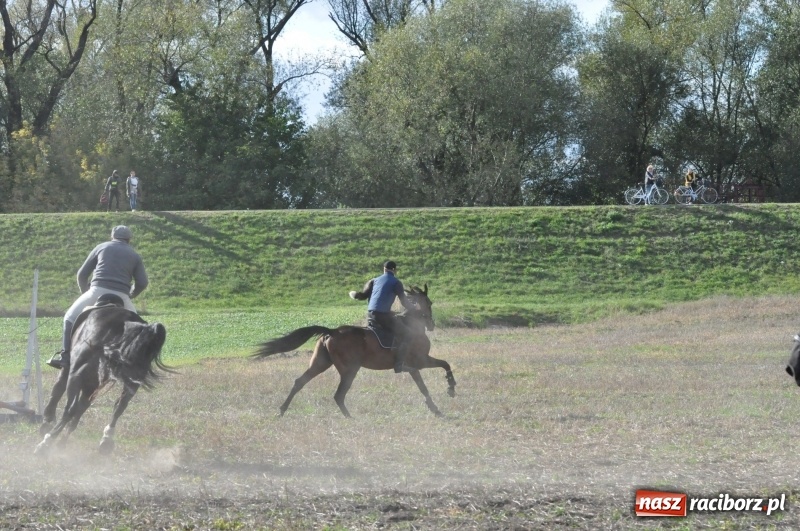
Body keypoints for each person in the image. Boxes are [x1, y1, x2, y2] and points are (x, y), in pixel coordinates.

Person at [47, 225, 149, 370]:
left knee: (69, 317)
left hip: (96, 291)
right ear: (129, 239)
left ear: (112, 236)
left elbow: (82, 274)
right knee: (140, 327)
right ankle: (136, 362)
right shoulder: (135, 255)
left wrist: (85, 292)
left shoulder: (101, 247)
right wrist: (131, 295)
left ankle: (65, 358)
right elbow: (142, 282)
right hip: (122, 295)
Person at [349, 261, 414, 373]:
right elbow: (404, 302)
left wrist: (355, 294)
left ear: (384, 269)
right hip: (382, 316)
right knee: (408, 334)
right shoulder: (396, 282)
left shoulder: (374, 280)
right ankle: (399, 364)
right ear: (395, 270)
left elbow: (363, 296)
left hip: (370, 315)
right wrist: (414, 308)